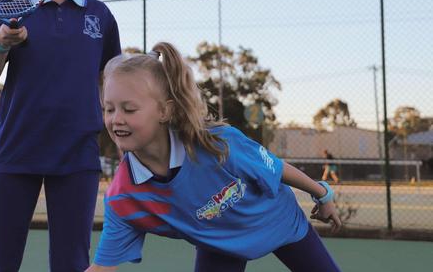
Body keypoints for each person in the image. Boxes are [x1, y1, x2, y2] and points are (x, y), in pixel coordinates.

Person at [87, 42, 342, 272]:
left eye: (129, 109)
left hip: (278, 221)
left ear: (165, 111)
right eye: (108, 109)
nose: (115, 119)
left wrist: (323, 194)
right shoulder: (123, 196)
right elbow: (102, 268)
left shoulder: (216, 143)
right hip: (220, 244)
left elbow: (277, 168)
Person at [0, 0, 121, 270]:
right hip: (15, 149)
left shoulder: (99, 15)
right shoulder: (10, 5)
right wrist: (2, 42)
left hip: (77, 156)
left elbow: (113, 81)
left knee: (72, 262)